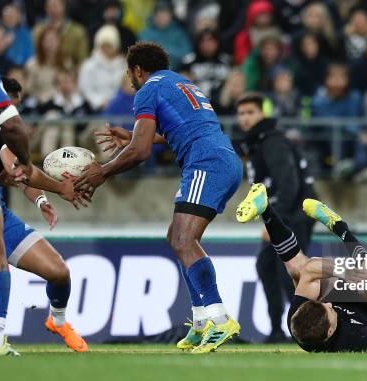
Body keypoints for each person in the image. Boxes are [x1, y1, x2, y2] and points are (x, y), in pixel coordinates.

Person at [76, 42, 243, 354]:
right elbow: (181, 130)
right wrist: (136, 135)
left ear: (139, 70)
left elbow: (139, 153)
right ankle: (199, 321)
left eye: (130, 74)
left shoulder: (147, 91)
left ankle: (218, 319)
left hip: (205, 162)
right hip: (220, 158)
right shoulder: (181, 83)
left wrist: (104, 172)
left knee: (183, 239)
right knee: (176, 237)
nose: (130, 81)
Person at [0, 77, 88, 352]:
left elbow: (15, 175)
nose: (12, 114)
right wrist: (59, 188)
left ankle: (58, 321)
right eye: (8, 107)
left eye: (15, 108)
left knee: (58, 272)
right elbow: (20, 168)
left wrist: (41, 199)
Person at [236, 183, 367, 352]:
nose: (329, 304)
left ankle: (266, 211)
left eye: (322, 303)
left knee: (297, 269)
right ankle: (340, 226)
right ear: (331, 331)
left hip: (337, 294)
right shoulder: (359, 340)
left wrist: (344, 270)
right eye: (327, 309)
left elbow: (311, 268)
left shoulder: (297, 319)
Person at [236, 92, 316, 343]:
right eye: (241, 113)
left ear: (263, 113)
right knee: (267, 267)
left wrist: (273, 223)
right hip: (284, 214)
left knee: (288, 274)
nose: (245, 118)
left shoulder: (272, 141)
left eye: (251, 112)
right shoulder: (258, 141)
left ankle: (308, 329)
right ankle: (277, 330)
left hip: (295, 215)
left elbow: (289, 186)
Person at [78, 24, 127, 112]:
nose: (107, 49)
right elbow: (85, 89)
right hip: (94, 108)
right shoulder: (89, 65)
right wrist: (99, 102)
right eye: (104, 45)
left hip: (118, 107)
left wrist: (115, 103)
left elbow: (125, 88)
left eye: (110, 45)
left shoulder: (123, 65)